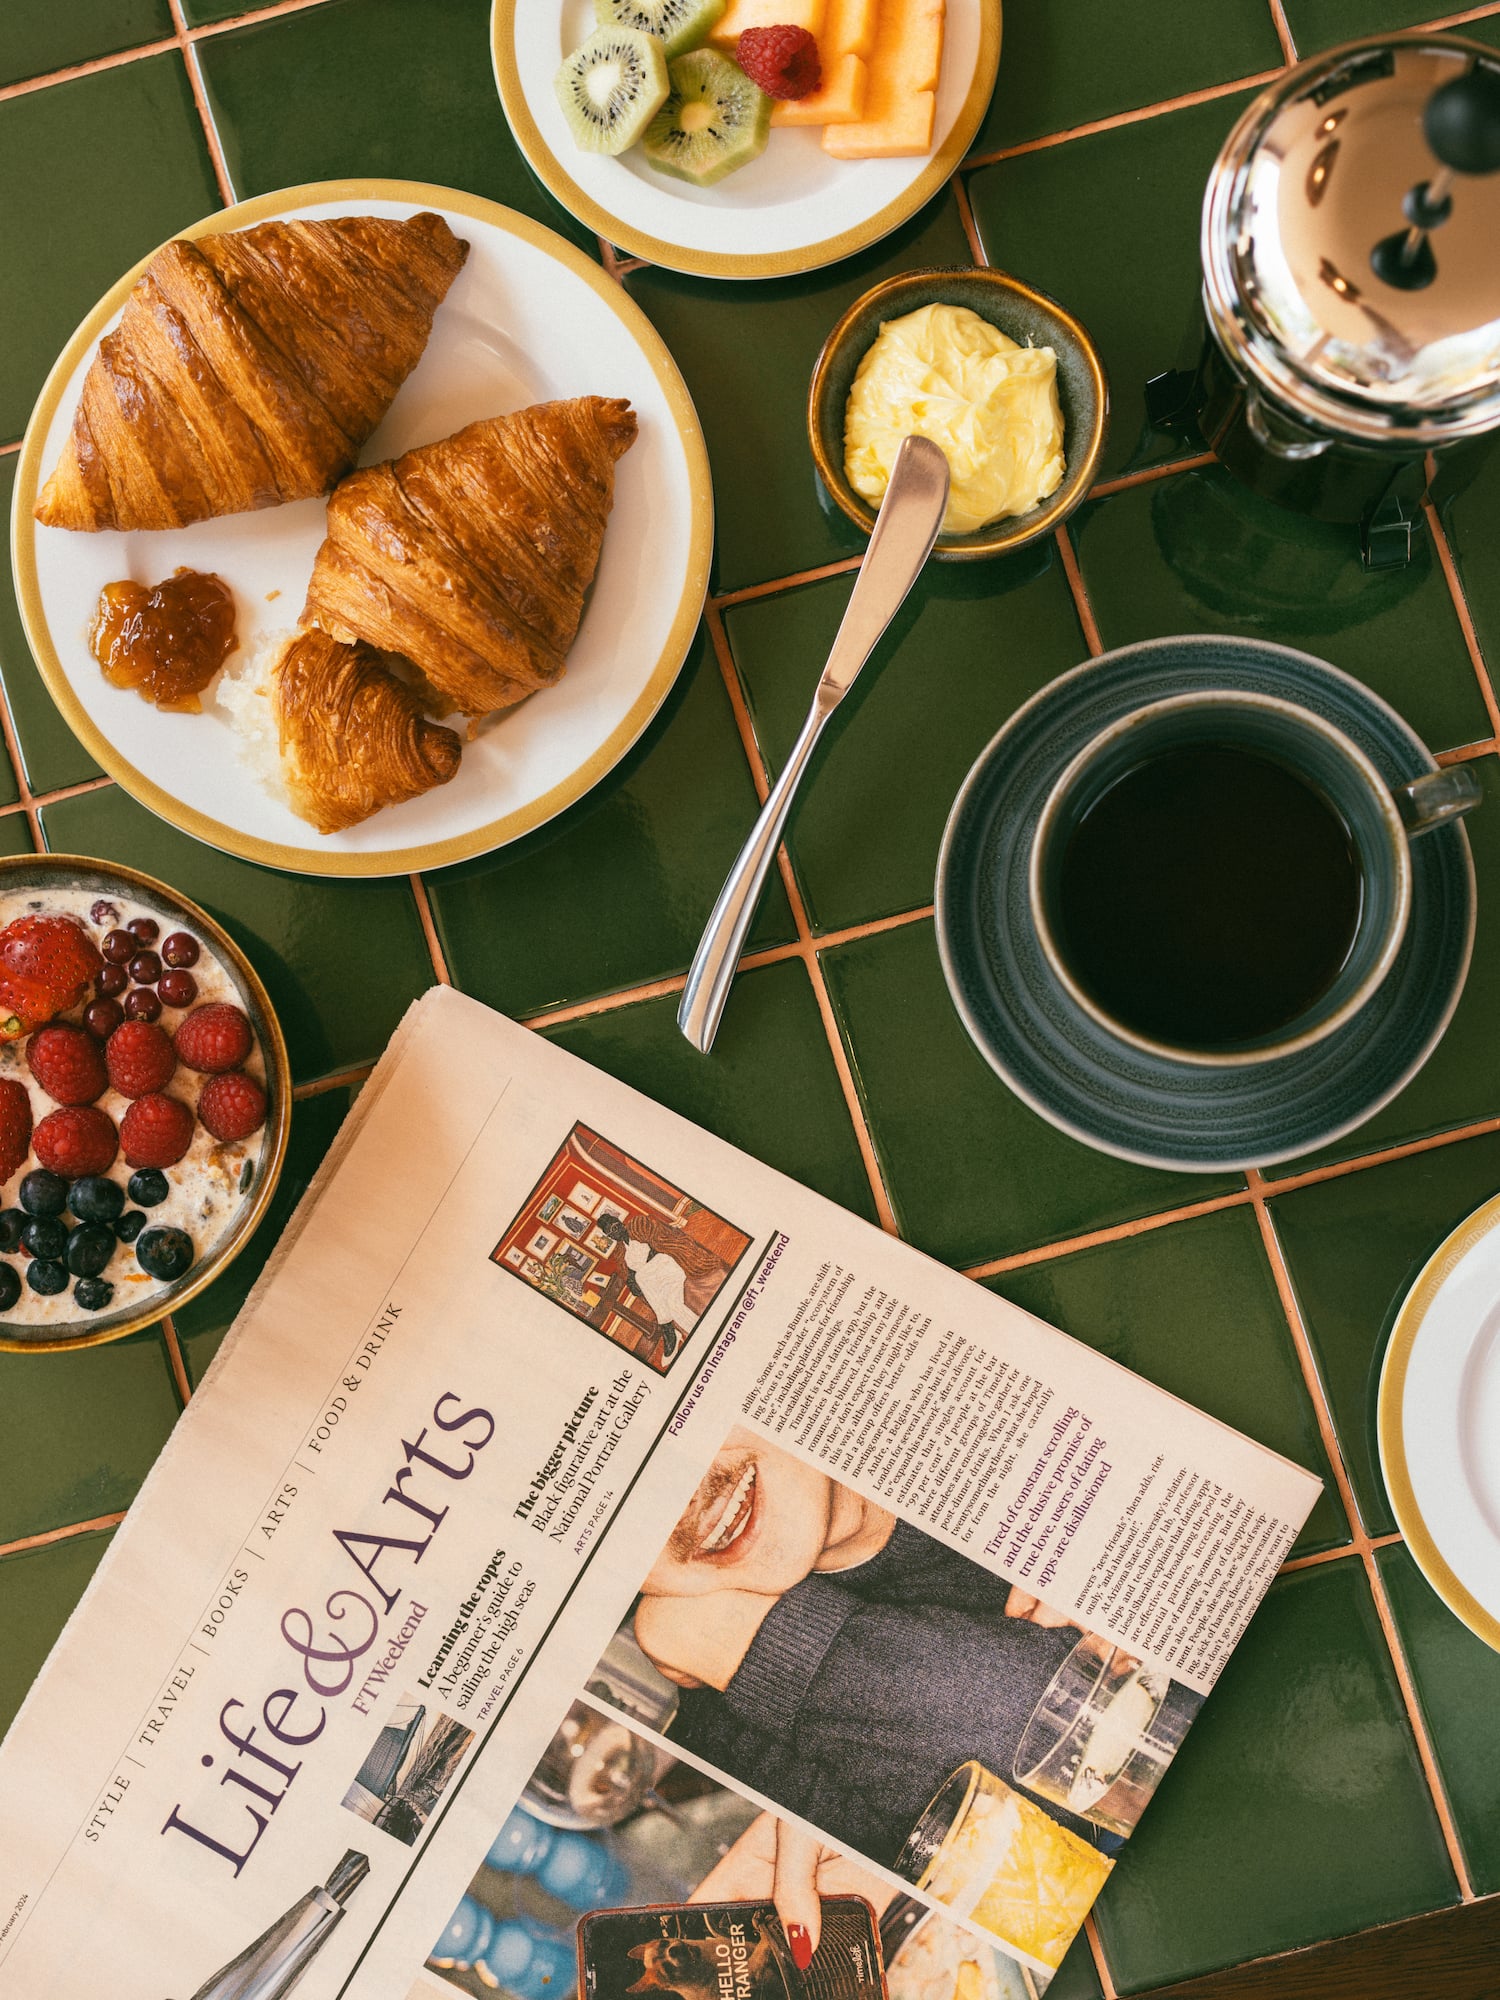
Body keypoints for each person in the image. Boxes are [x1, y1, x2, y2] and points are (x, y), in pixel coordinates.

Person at [630, 1429, 1117, 1868]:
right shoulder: (727, 1701)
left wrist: (750, 1645)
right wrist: (758, 1646)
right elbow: (1062, 1840)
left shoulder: (995, 1430)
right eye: (616, 1522)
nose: (682, 1509)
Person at [596, 1213, 729, 1361]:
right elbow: (629, 1276)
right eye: (610, 1232)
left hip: (667, 1268)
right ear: (609, 1236)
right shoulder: (621, 1252)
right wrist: (632, 1282)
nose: (615, 1232)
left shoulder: (638, 1227)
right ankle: (700, 1335)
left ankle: (667, 1328)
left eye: (615, 1226)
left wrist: (639, 1274)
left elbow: (660, 1244)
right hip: (655, 1284)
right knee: (673, 1304)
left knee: (641, 1277)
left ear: (620, 1222)